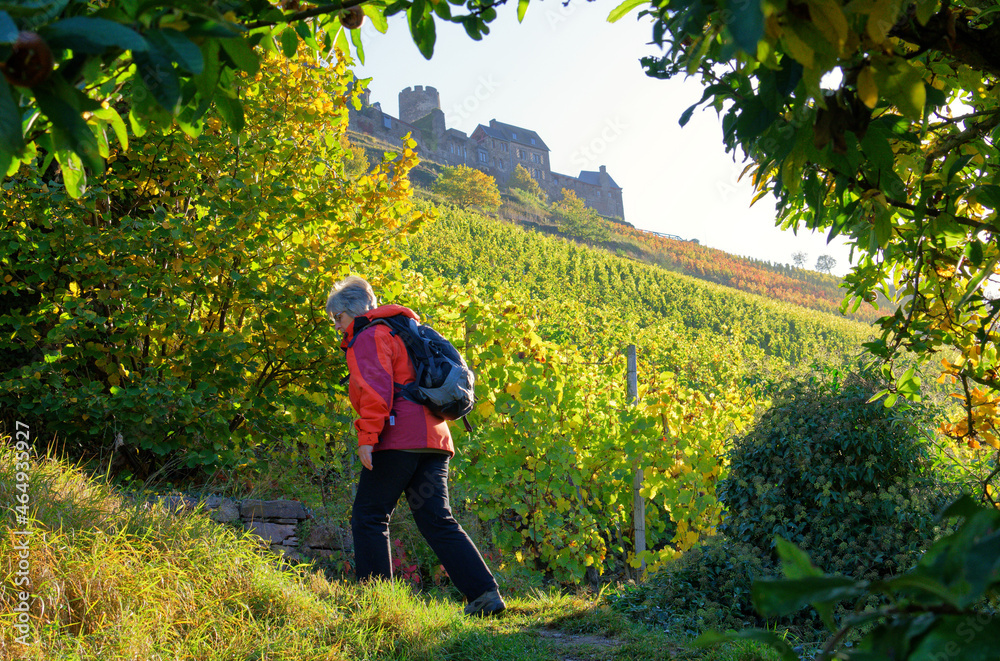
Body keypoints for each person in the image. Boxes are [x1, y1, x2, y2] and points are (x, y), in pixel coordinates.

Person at [326, 275, 505, 617]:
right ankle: (485, 594)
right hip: (434, 438)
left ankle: (377, 605)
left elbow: (376, 391)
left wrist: (367, 438)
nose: (337, 326)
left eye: (338, 317)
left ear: (355, 311)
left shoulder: (369, 335)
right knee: (437, 519)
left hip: (398, 438)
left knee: (369, 516)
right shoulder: (403, 330)